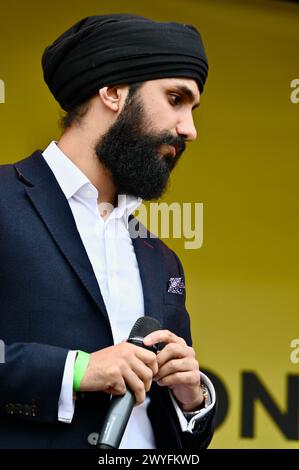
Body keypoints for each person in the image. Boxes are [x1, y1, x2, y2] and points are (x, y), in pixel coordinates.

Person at [0, 13, 216, 449]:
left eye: (193, 109)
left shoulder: (160, 256)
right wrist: (74, 372)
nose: (190, 129)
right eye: (176, 98)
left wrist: (191, 398)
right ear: (113, 91)